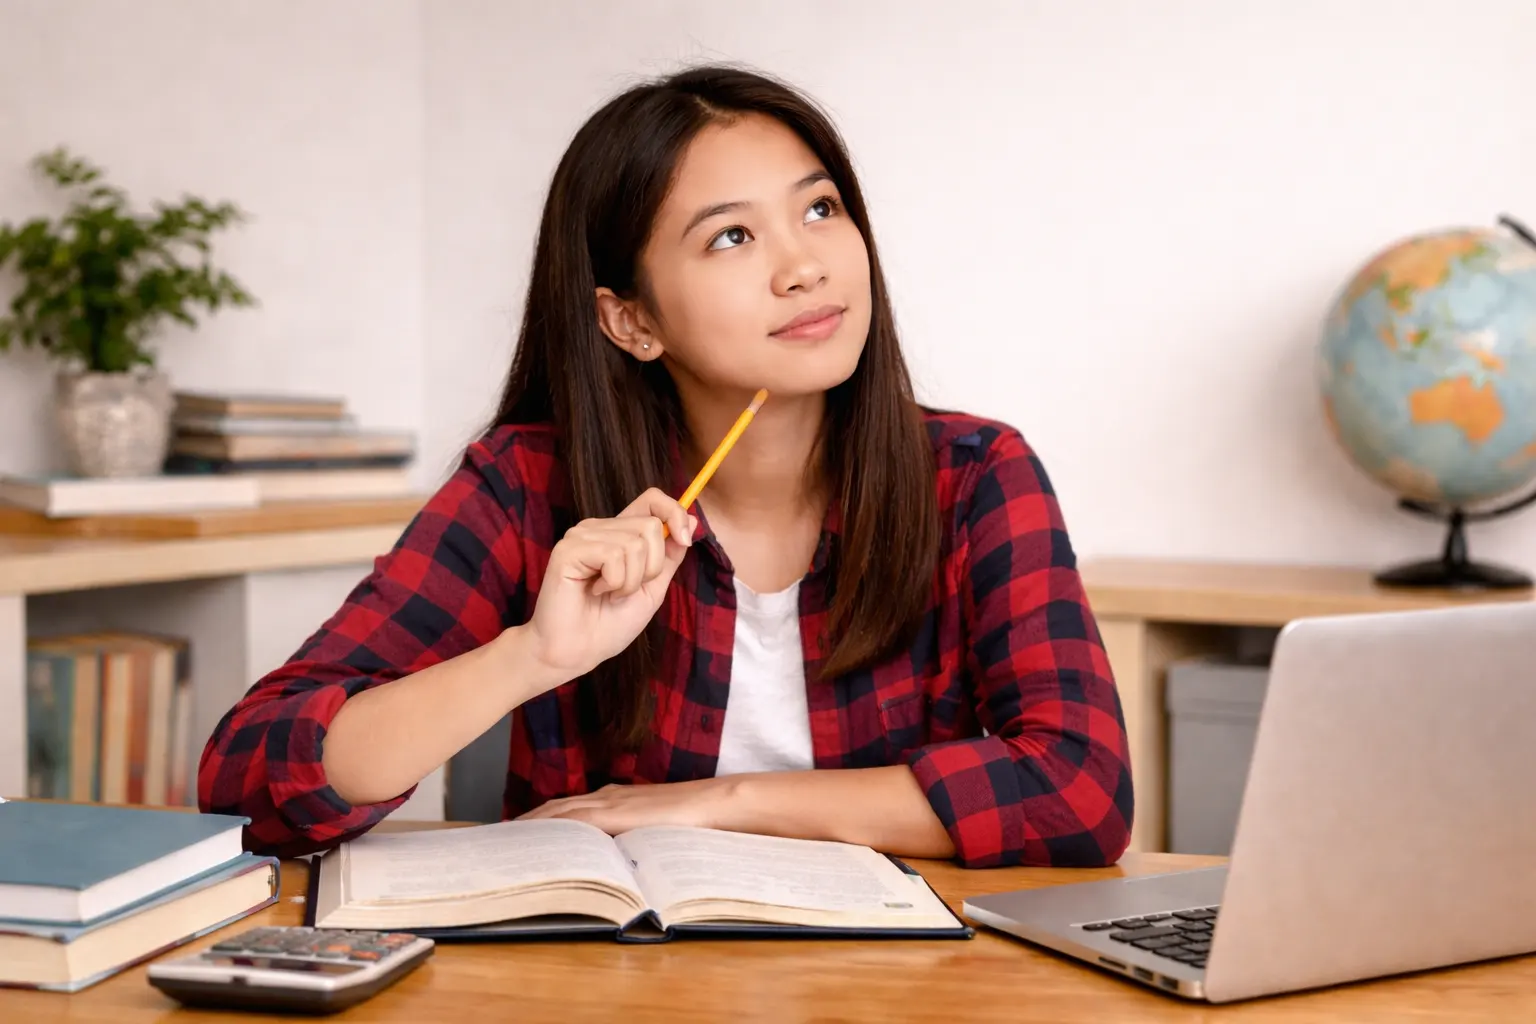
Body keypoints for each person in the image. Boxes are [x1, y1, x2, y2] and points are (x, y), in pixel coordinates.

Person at [198, 64, 1133, 869]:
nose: (805, 266)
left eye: (820, 208)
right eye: (732, 235)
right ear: (629, 320)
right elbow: (246, 775)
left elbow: (1083, 790)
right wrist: (530, 657)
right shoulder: (528, 485)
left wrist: (719, 804)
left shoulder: (973, 476)